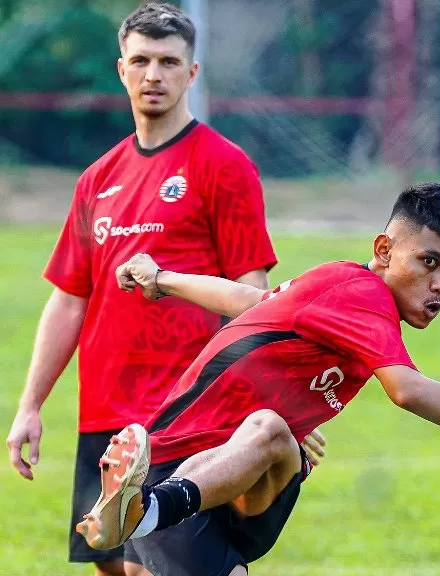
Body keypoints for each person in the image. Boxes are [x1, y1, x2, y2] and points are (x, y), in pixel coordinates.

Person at [73, 182, 440, 576]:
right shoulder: (359, 292)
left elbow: (253, 302)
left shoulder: (337, 290)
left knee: (277, 435)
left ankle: (145, 515)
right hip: (179, 468)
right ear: (385, 250)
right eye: (430, 262)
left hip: (238, 486)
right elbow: (408, 390)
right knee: (272, 430)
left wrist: (163, 279)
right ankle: (145, 511)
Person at [2, 4, 321, 576]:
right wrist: (30, 405)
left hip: (182, 410)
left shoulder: (224, 166)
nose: (155, 75)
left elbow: (254, 298)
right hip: (104, 410)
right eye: (142, 61)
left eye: (170, 62)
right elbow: (70, 298)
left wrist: (272, 399)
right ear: (120, 69)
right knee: (115, 567)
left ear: (192, 74)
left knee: (168, 565)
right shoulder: (96, 180)